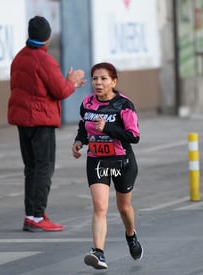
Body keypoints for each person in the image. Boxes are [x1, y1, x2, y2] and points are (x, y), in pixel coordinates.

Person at [8, 16, 86, 232]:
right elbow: (59, 91)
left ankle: (32, 214)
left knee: (31, 168)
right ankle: (36, 216)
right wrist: (72, 81)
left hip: (23, 121)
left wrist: (68, 83)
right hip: (41, 120)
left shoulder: (19, 58)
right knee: (44, 167)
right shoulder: (44, 60)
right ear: (47, 39)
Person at [71, 62, 143, 269]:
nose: (98, 83)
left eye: (103, 79)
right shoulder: (87, 103)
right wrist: (79, 142)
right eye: (95, 78)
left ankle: (131, 235)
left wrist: (108, 128)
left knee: (123, 207)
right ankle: (99, 253)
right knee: (100, 206)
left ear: (114, 81)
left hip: (122, 161)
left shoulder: (124, 105)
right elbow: (83, 128)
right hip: (97, 160)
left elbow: (133, 136)